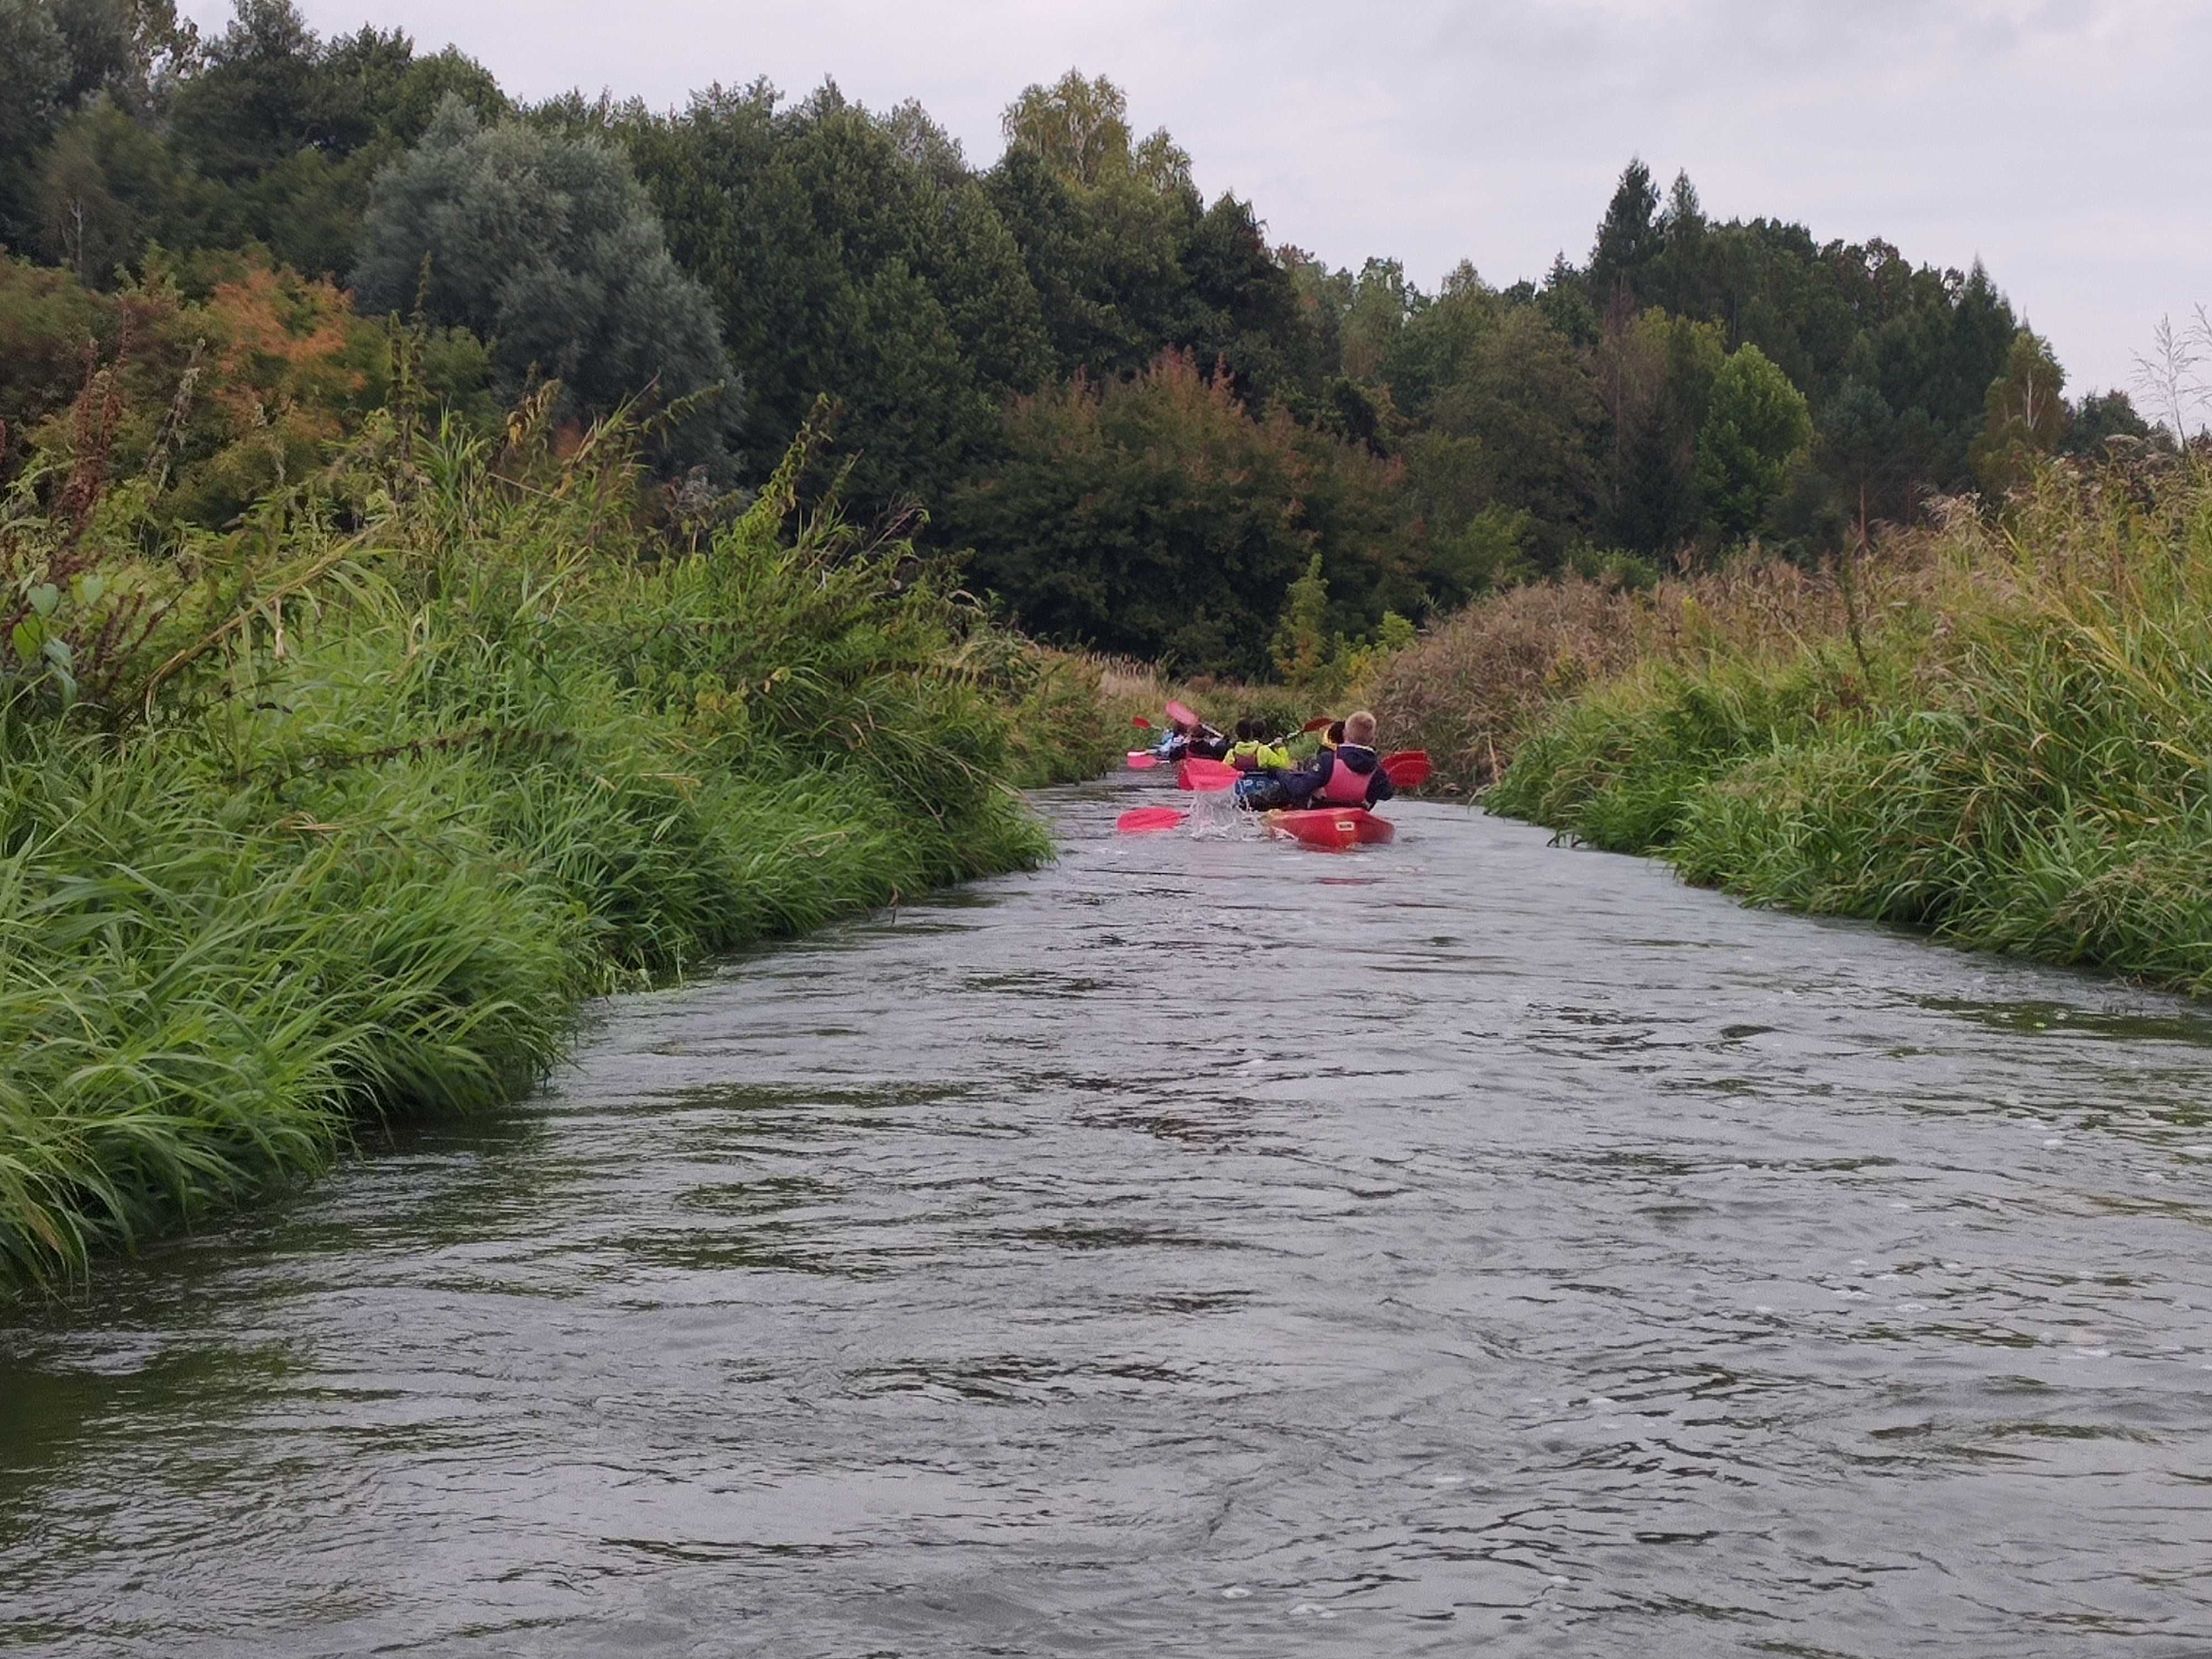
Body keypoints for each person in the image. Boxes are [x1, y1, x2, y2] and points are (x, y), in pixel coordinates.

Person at [1295, 709, 1394, 809]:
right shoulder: (1377, 769)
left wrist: (1283, 777)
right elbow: (1387, 794)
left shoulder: (1327, 760)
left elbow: (1302, 787)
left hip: (1322, 810)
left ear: (1344, 734)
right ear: (1372, 739)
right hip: (1357, 811)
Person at [1225, 717, 1291, 773]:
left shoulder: (1231, 754)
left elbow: (1222, 771)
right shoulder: (1263, 750)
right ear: (1252, 733)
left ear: (1237, 735)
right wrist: (1280, 747)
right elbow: (1285, 765)